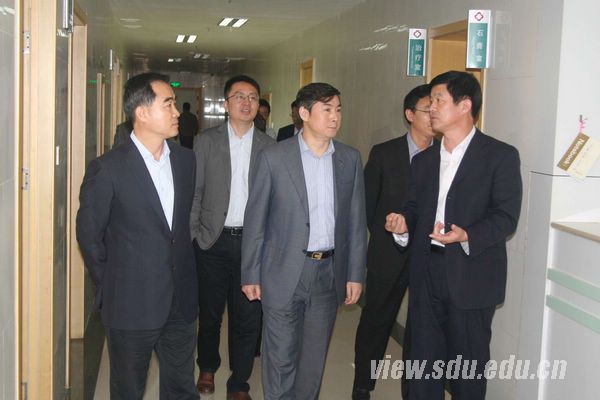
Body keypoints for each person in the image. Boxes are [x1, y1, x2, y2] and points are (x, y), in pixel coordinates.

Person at [385, 71, 522, 399]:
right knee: (422, 370)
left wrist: (466, 235)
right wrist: (403, 225)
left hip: (471, 276)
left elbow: (506, 217)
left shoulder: (499, 156)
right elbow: (414, 208)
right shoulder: (424, 160)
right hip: (426, 273)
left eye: (439, 100)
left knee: (467, 374)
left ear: (465, 105)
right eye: (430, 101)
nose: (431, 108)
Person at [76, 72, 198, 399]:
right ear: (142, 112)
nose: (177, 112)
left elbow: (180, 226)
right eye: (168, 104)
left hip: (181, 301)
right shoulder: (108, 168)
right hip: (130, 304)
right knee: (128, 390)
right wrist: (112, 283)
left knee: (182, 388)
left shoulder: (185, 160)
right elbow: (89, 235)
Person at [241, 82, 367, 400]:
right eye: (327, 109)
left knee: (312, 364)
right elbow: (255, 221)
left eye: (338, 110)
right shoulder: (274, 157)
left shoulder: (349, 159)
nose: (335, 116)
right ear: (304, 113)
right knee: (280, 359)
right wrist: (250, 273)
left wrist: (355, 274)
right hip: (282, 271)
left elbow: (355, 222)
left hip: (328, 274)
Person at [190, 75, 274, 400]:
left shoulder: (270, 147)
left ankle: (239, 382)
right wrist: (195, 236)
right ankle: (207, 367)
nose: (246, 102)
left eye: (252, 97)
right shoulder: (206, 141)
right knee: (210, 313)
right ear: (226, 104)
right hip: (212, 242)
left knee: (248, 318)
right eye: (239, 96)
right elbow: (195, 193)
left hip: (252, 245)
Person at [352, 84, 437, 400]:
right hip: (388, 254)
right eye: (428, 109)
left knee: (422, 326)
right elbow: (366, 205)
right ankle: (363, 383)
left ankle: (413, 389)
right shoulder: (384, 153)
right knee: (376, 320)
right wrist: (386, 235)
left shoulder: (446, 155)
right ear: (410, 114)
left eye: (437, 108)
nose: (434, 115)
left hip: (431, 256)